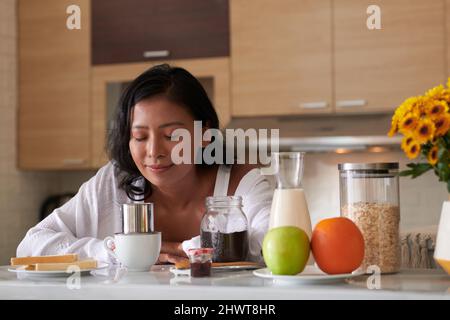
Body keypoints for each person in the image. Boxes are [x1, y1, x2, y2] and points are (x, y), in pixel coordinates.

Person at [17, 64, 274, 264]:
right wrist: (117, 250)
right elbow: (32, 245)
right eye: (140, 137)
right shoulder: (113, 183)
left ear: (205, 134)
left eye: (172, 136)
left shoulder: (241, 183)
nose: (153, 152)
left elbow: (271, 243)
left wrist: (183, 250)